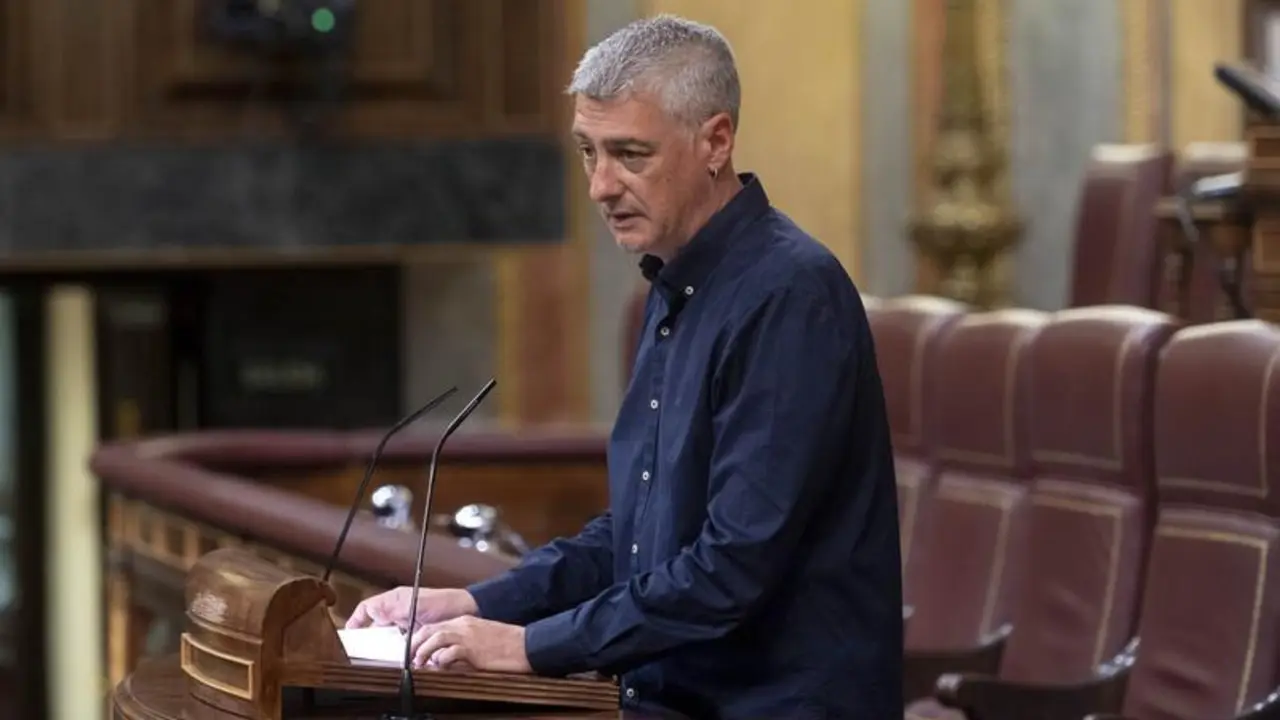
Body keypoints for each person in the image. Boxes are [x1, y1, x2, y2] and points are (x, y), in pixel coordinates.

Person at [346, 14, 903, 719]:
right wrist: (475, 603)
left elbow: (732, 568)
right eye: (588, 152)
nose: (600, 187)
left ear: (716, 141)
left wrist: (529, 646)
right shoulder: (673, 288)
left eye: (630, 155)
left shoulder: (788, 296)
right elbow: (635, 536)